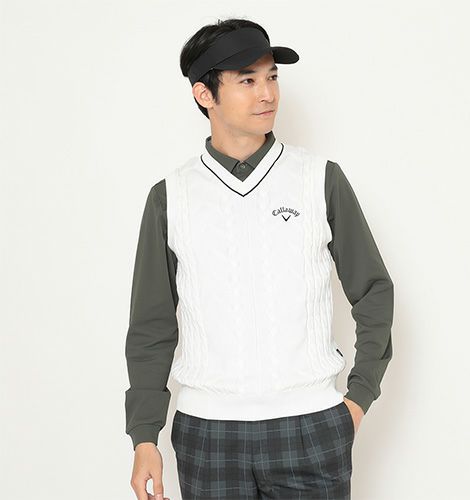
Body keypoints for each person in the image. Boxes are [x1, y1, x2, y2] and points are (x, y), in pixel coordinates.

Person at [125, 18, 394, 500]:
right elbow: (152, 325)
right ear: (204, 94)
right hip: (207, 433)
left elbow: (373, 291)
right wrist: (145, 435)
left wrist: (358, 397)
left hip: (311, 426)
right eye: (247, 80)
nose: (267, 93)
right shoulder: (171, 197)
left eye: (272, 76)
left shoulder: (319, 179)